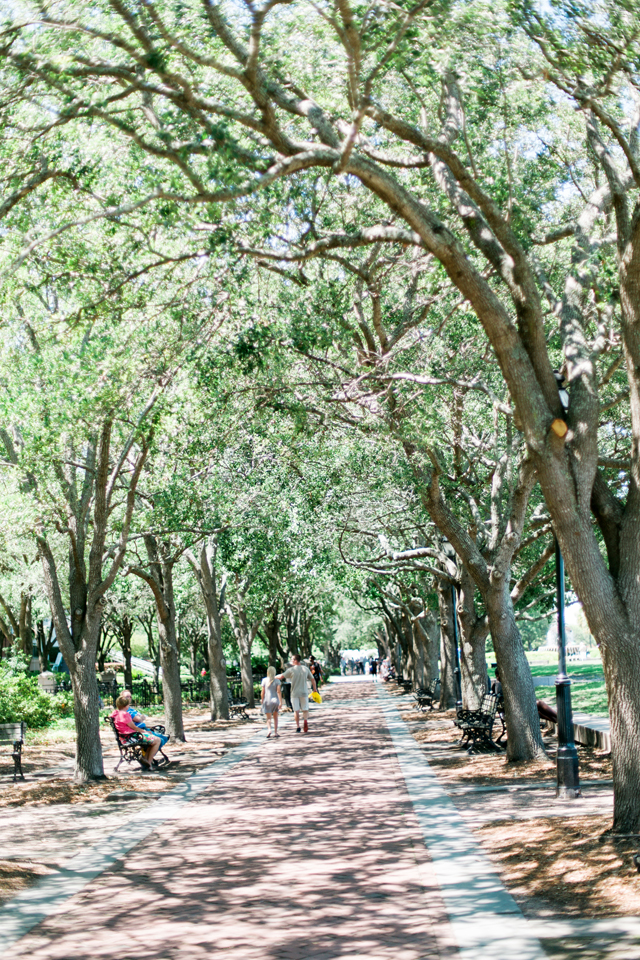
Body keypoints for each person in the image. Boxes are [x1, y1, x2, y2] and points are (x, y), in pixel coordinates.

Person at [110, 695, 162, 769]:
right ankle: (149, 763)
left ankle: (145, 760)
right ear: (126, 705)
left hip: (124, 737)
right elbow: (133, 727)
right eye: (128, 704)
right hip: (132, 737)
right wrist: (145, 732)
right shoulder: (125, 714)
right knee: (157, 740)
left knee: (151, 741)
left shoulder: (116, 713)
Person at [278, 655, 317, 734]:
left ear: (296, 660)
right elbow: (313, 679)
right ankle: (305, 720)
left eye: (292, 659)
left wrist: (272, 677)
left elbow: (281, 676)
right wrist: (315, 690)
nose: (291, 661)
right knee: (305, 709)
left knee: (296, 711)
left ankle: (298, 726)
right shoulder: (305, 669)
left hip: (294, 693)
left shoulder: (291, 670)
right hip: (304, 692)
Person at [261, 666, 283, 738]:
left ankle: (269, 730)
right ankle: (276, 732)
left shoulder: (264, 680)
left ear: (267, 672)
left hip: (267, 700)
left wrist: (262, 699)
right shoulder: (277, 681)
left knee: (268, 718)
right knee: (276, 717)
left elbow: (262, 692)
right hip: (275, 700)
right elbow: (278, 691)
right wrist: (280, 702)